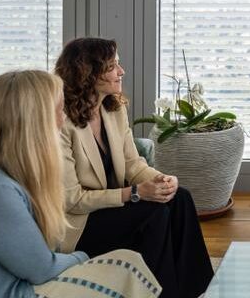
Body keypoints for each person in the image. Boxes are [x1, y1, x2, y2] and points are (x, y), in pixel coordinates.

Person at [0, 70, 160, 298]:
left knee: (129, 262)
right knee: (124, 271)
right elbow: (42, 269)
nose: (64, 119)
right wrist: (84, 257)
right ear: (35, 122)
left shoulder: (7, 171)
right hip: (15, 291)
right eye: (60, 111)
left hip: (19, 285)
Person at [55, 37, 214, 298]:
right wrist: (135, 193)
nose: (121, 71)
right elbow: (72, 200)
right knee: (154, 214)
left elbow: (132, 163)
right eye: (112, 66)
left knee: (180, 197)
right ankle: (161, 294)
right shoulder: (63, 123)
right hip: (79, 225)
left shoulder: (113, 109)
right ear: (88, 73)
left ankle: (200, 290)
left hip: (111, 207)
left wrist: (161, 179)